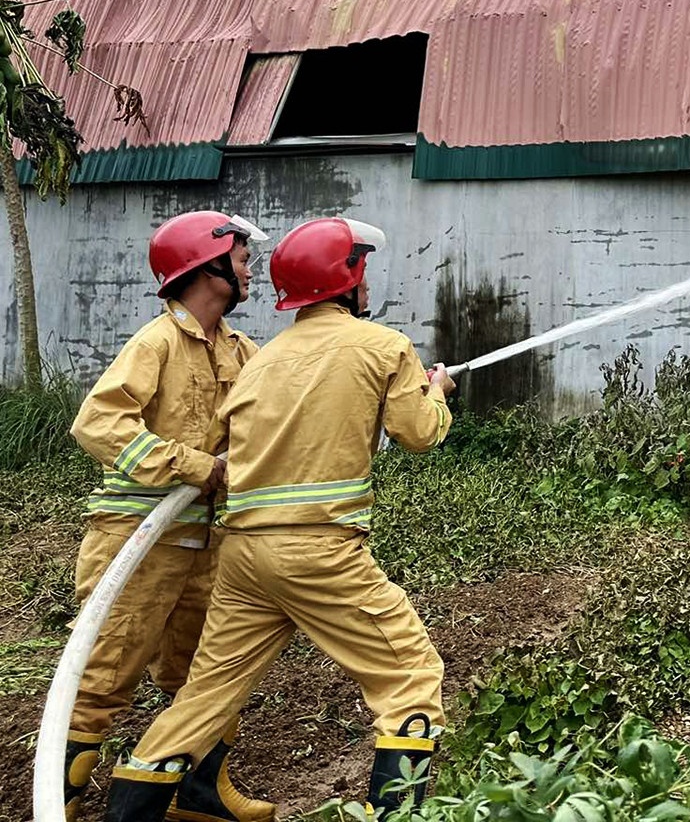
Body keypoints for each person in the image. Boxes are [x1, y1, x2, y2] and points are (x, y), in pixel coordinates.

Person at [102, 216, 456, 822]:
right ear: (346, 277)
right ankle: (397, 815)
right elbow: (417, 433)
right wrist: (437, 393)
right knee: (410, 675)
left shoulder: (260, 362)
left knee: (204, 697)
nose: (368, 284)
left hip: (241, 558)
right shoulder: (383, 347)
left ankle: (125, 816)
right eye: (362, 269)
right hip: (320, 552)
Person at [65, 211, 273, 822]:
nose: (249, 267)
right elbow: (98, 423)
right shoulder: (156, 344)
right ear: (206, 267)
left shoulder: (243, 351)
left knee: (204, 678)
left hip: (207, 549)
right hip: (138, 546)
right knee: (101, 680)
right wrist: (191, 466)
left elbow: (281, 412)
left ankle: (198, 796)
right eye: (239, 256)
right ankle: (62, 804)